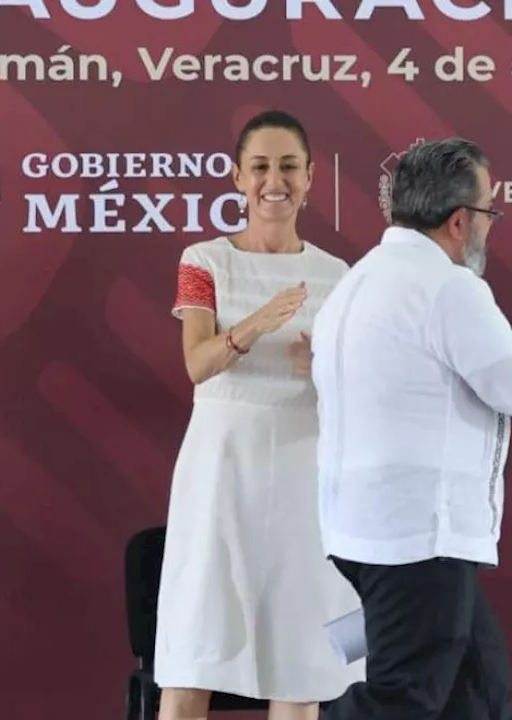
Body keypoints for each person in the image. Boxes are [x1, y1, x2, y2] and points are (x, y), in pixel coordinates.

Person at [309, 138, 512, 720]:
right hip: (418, 539)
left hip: (372, 535)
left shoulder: (357, 283)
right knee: (401, 701)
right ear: (460, 221)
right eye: (490, 212)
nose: (491, 227)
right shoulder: (446, 288)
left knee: (480, 692)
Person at [154, 110, 365, 720]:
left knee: (304, 651)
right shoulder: (204, 258)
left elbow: (356, 390)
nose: (275, 181)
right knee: (196, 640)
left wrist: (326, 370)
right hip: (219, 469)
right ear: (237, 177)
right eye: (261, 167)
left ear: (310, 178)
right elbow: (196, 364)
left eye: (288, 167)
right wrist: (256, 325)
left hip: (307, 471)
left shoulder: (339, 276)